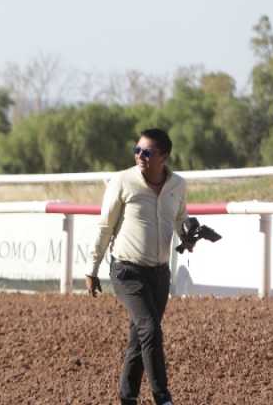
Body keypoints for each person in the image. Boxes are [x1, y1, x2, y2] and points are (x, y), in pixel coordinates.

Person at [86, 128, 187, 405]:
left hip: (160, 275)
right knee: (150, 330)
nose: (140, 156)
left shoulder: (178, 184)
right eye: (137, 150)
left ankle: (127, 397)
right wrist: (92, 269)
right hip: (127, 271)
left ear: (164, 157)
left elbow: (181, 219)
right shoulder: (121, 181)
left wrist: (190, 232)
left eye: (148, 152)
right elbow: (106, 226)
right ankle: (162, 396)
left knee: (139, 337)